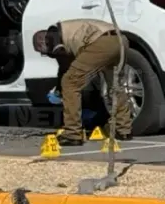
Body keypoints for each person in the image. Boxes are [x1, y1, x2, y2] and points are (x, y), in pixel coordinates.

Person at [31, 18, 132, 146]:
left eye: (42, 51)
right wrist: (58, 90)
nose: (47, 55)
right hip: (120, 40)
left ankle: (72, 133)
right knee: (115, 85)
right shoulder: (68, 34)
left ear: (41, 42)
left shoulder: (52, 33)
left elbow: (59, 53)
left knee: (70, 84)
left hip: (100, 42)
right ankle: (123, 129)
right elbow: (65, 68)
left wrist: (61, 89)